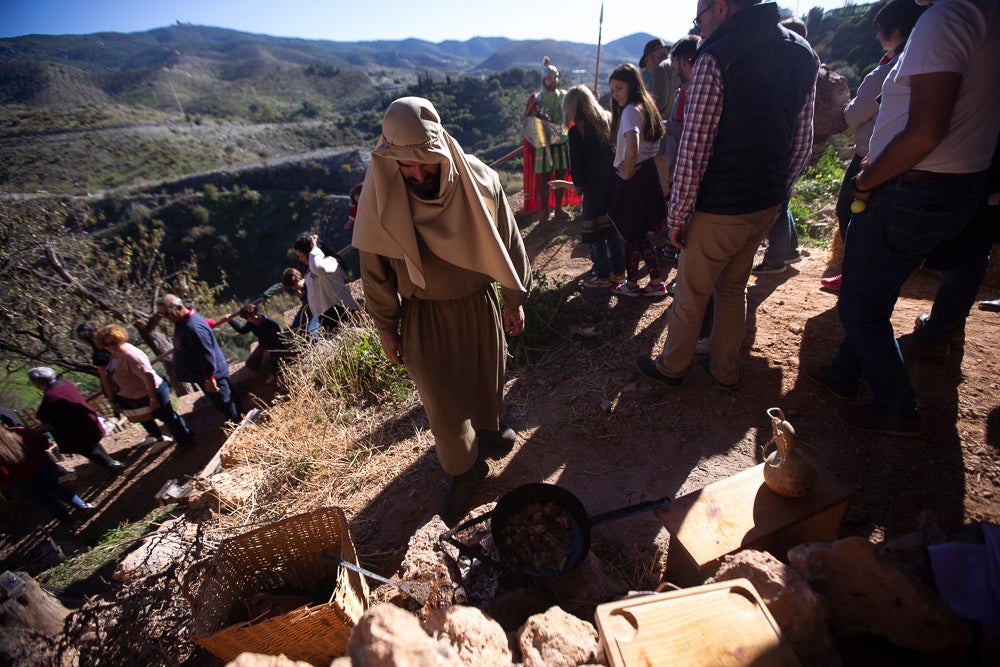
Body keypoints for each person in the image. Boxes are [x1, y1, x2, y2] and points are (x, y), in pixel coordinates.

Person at [812, 0, 1000, 436]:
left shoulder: (947, 19)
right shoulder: (986, 15)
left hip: (908, 186)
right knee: (879, 287)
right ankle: (844, 373)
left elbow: (925, 131)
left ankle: (896, 406)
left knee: (859, 305)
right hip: (953, 184)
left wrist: (867, 180)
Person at [353, 97, 531, 522]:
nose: (417, 175)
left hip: (479, 304)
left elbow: (509, 241)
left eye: (426, 164)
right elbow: (374, 272)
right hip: (424, 316)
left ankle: (487, 431)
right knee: (442, 406)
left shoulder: (480, 180)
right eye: (405, 167)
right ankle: (464, 470)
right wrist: (386, 328)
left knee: (487, 379)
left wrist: (514, 298)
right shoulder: (380, 198)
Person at [636, 0, 818, 389]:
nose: (698, 28)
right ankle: (724, 370)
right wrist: (776, 191)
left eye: (698, 18)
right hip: (765, 202)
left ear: (720, 8)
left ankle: (671, 368)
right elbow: (802, 143)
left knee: (691, 294)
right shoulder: (803, 53)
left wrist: (678, 216)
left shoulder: (716, 57)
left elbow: (694, 151)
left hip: (718, 207)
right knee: (734, 289)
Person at [823, 0, 927, 289]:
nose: (877, 37)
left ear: (896, 30)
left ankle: (856, 274)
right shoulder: (922, 61)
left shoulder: (886, 71)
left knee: (849, 209)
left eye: (880, 31)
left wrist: (841, 109)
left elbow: (854, 115)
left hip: (870, 156)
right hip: (910, 157)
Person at [607, 63, 668, 298]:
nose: (616, 94)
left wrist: (627, 172)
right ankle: (654, 281)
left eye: (619, 88)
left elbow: (632, 144)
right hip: (647, 174)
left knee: (630, 234)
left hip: (634, 177)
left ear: (632, 85)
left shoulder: (631, 110)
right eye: (613, 90)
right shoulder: (646, 106)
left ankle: (632, 285)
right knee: (640, 234)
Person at [562, 84, 626, 289]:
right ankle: (619, 272)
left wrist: (578, 185)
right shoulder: (607, 119)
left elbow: (577, 165)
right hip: (613, 181)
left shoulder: (576, 131)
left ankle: (602, 275)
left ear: (572, 107)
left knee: (595, 231)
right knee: (612, 228)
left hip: (593, 186)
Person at [96, 324, 193, 447]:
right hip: (140, 395)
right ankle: (186, 435)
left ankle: (186, 442)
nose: (110, 346)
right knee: (165, 417)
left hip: (153, 392)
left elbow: (147, 376)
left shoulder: (130, 355)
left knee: (168, 418)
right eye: (106, 345)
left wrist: (153, 398)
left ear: (121, 338)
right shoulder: (115, 354)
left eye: (114, 342)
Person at [155, 294, 243, 423]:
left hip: (212, 376)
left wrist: (209, 378)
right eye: (162, 315)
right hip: (205, 375)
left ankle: (239, 426)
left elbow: (206, 354)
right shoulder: (182, 321)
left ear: (179, 308)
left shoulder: (193, 327)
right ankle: (241, 419)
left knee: (225, 403)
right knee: (226, 400)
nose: (165, 318)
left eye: (167, 314)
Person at [28, 367, 125, 473]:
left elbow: (52, 418)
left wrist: (40, 429)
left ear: (37, 382)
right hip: (87, 421)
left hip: (77, 429)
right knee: (92, 445)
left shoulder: (51, 397)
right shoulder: (64, 384)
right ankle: (111, 462)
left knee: (86, 448)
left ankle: (111, 465)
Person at [1, 424, 95, 527]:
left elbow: (3, 474)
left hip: (21, 482)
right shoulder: (19, 431)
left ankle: (72, 522)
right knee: (56, 487)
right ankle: (83, 506)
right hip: (45, 469)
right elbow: (44, 443)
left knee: (48, 502)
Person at [522, 57, 577, 221]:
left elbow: (574, 111)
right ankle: (546, 211)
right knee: (545, 180)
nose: (552, 81)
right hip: (545, 145)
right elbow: (529, 120)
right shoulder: (537, 99)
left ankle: (558, 209)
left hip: (562, 142)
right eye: (549, 78)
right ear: (544, 80)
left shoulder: (565, 96)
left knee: (560, 178)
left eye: (554, 78)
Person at [640, 37, 683, 199]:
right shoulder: (676, 65)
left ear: (650, 58)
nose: (648, 69)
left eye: (647, 64)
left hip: (663, 138)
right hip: (678, 134)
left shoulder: (660, 69)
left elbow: (659, 104)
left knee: (665, 186)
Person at [290, 234, 359, 334]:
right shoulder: (310, 270)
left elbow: (318, 267)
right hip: (326, 316)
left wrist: (314, 249)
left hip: (340, 310)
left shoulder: (330, 261)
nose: (300, 259)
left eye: (301, 255)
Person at [227, 303, 289, 382]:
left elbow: (278, 339)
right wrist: (230, 321)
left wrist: (268, 350)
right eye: (251, 317)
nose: (255, 317)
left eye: (255, 314)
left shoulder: (271, 323)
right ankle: (271, 370)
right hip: (263, 346)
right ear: (247, 319)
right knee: (250, 364)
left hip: (276, 346)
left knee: (264, 365)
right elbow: (242, 331)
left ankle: (279, 373)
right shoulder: (251, 324)